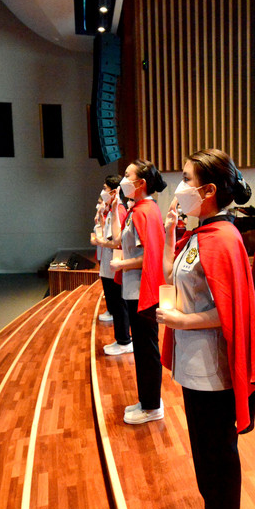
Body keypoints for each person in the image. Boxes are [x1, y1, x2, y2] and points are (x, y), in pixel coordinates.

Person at [156, 149, 255, 509]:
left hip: (215, 369)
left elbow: (230, 312)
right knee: (202, 449)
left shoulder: (223, 239)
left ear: (208, 190)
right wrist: (169, 233)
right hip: (194, 363)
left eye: (185, 179)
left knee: (218, 451)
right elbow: (171, 276)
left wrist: (181, 322)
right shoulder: (199, 235)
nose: (179, 186)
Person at [110, 160, 167, 424]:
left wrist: (122, 263)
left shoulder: (145, 211)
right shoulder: (139, 209)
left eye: (127, 175)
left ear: (141, 183)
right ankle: (146, 400)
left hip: (143, 291)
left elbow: (149, 255)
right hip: (134, 289)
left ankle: (152, 406)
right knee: (143, 349)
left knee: (146, 349)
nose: (123, 180)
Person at [91, 175, 133, 355]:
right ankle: (121, 338)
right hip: (109, 260)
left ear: (114, 191)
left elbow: (117, 241)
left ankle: (124, 340)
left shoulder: (120, 210)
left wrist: (101, 242)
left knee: (119, 303)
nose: (103, 191)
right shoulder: (111, 210)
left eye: (105, 188)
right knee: (114, 302)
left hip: (115, 260)